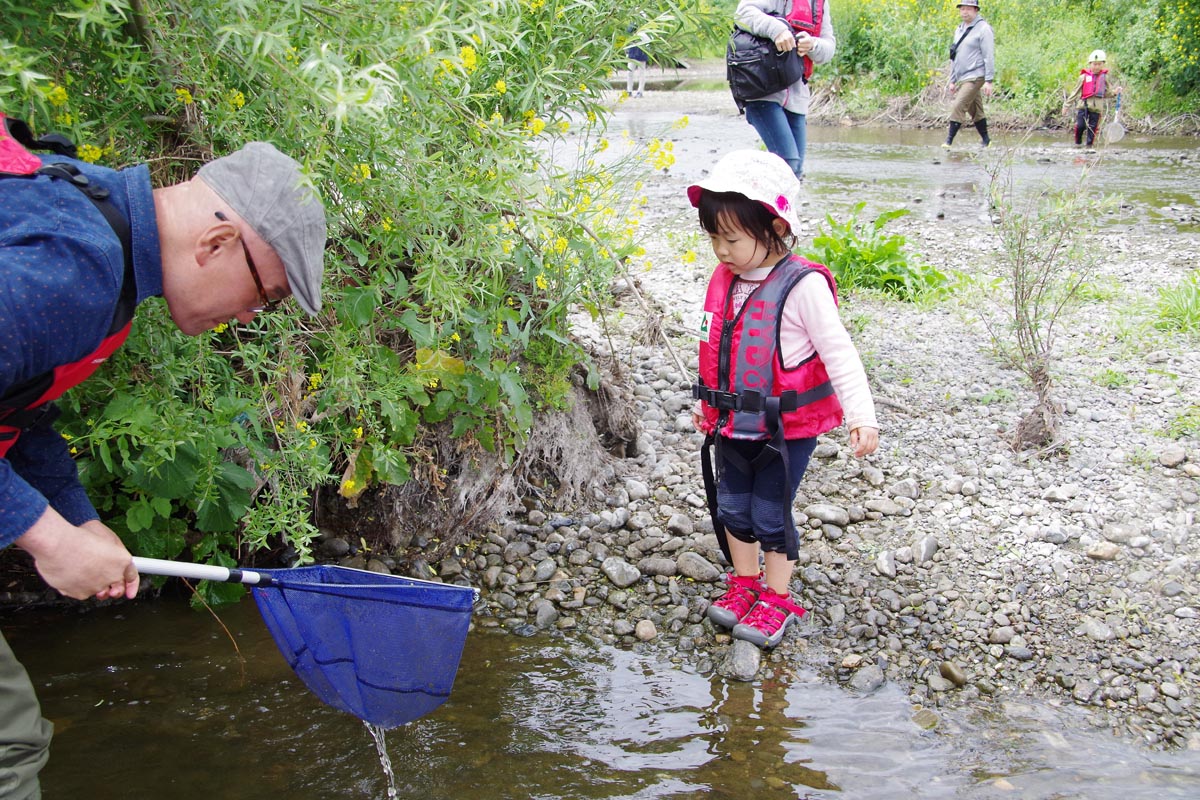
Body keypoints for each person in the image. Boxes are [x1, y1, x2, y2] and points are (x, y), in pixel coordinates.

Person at [0, 118, 327, 799]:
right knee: (10, 743)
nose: (246, 321)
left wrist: (79, 518)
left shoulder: (96, 228)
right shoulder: (77, 264)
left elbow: (20, 408)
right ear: (217, 241)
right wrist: (46, 536)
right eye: (263, 297)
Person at [688, 150, 878, 649]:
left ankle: (777, 596)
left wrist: (862, 417)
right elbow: (717, 349)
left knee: (770, 512)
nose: (720, 250)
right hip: (731, 424)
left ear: (774, 227)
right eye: (713, 238)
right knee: (732, 507)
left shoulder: (803, 286)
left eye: (730, 239)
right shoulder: (726, 282)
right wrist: (706, 406)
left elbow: (840, 353)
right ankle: (744, 583)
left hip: (783, 431)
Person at [732, 0, 836, 180]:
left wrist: (812, 45)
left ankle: (762, 206)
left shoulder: (818, 4)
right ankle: (755, 205)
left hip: (797, 96)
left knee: (794, 172)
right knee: (788, 163)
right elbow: (743, 14)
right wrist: (778, 30)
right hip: (762, 90)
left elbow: (828, 47)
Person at [944, 0, 995, 149]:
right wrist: (952, 80)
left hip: (976, 75)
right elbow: (954, 56)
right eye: (962, 8)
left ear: (976, 10)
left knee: (958, 105)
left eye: (968, 9)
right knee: (975, 110)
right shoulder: (959, 29)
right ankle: (986, 141)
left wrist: (989, 80)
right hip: (963, 76)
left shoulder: (983, 29)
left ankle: (948, 141)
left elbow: (988, 55)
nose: (964, 12)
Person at [1063, 50, 1119, 150]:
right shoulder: (1083, 77)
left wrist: (1115, 92)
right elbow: (1075, 92)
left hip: (1097, 108)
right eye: (1094, 64)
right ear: (1090, 64)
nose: (1096, 67)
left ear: (1103, 65)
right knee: (1080, 126)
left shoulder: (1104, 78)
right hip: (1083, 105)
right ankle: (1077, 144)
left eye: (1099, 64)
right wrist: (1066, 105)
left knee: (1092, 129)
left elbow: (1106, 93)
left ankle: (1089, 147)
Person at [625, 24, 649, 98]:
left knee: (641, 73)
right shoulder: (631, 32)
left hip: (641, 53)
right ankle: (629, 90)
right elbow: (627, 42)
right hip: (632, 53)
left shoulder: (644, 33)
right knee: (629, 72)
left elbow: (648, 43)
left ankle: (640, 91)